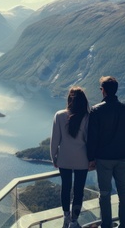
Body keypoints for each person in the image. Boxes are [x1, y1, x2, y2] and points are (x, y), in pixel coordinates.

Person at [87, 76, 125, 228]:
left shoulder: (96, 111)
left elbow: (92, 138)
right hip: (123, 158)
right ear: (116, 90)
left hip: (103, 159)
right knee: (124, 194)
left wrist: (91, 158)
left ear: (103, 90)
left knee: (104, 195)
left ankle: (106, 225)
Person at [50, 86, 90, 228]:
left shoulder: (59, 115)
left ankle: (66, 216)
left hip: (64, 159)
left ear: (69, 100)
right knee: (79, 191)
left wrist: (54, 157)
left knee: (65, 188)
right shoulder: (87, 117)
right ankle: (74, 220)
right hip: (82, 160)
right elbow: (89, 140)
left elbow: (55, 140)